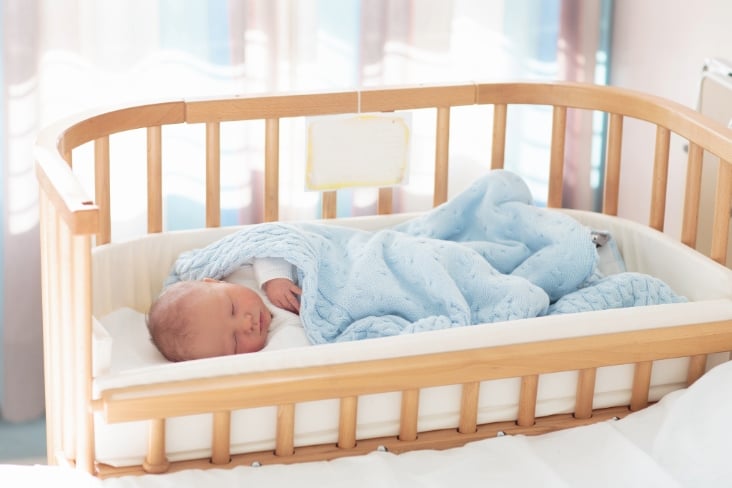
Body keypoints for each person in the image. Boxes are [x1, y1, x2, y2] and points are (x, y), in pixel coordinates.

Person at [147, 258, 302, 362]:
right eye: (235, 341)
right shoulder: (275, 346)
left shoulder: (241, 274)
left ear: (215, 282)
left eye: (233, 309)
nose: (247, 324)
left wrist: (275, 279)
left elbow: (266, 247)